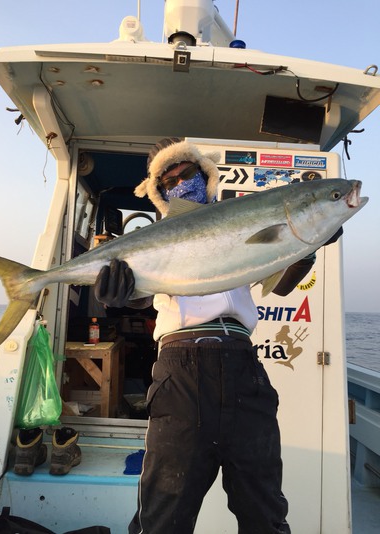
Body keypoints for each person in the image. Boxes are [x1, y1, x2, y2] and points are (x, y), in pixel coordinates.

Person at [94, 138, 341, 534]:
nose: (180, 183)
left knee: (264, 513)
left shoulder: (242, 219)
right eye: (169, 180)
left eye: (187, 173)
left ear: (204, 175)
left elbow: (279, 288)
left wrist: (304, 249)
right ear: (160, 192)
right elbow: (145, 299)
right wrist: (121, 295)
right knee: (163, 517)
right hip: (180, 367)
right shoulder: (157, 238)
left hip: (242, 364)